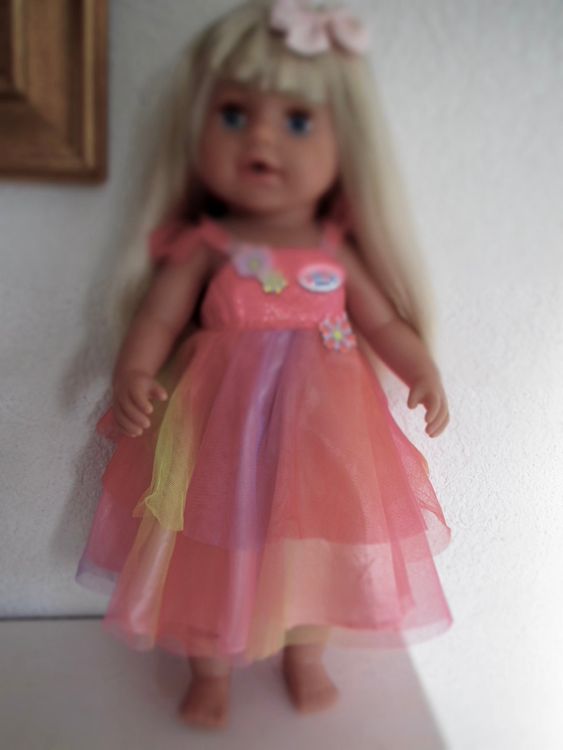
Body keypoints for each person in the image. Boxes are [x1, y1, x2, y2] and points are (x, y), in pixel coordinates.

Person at [77, 0, 452, 730]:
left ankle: (304, 657)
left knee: (314, 552)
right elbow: (157, 317)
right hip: (221, 435)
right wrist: (134, 373)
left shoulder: (336, 249)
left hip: (322, 438)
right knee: (207, 550)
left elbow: (380, 321)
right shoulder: (208, 245)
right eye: (233, 114)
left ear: (347, 145)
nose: (262, 139)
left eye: (298, 121)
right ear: (197, 127)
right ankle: (208, 668)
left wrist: (420, 370)